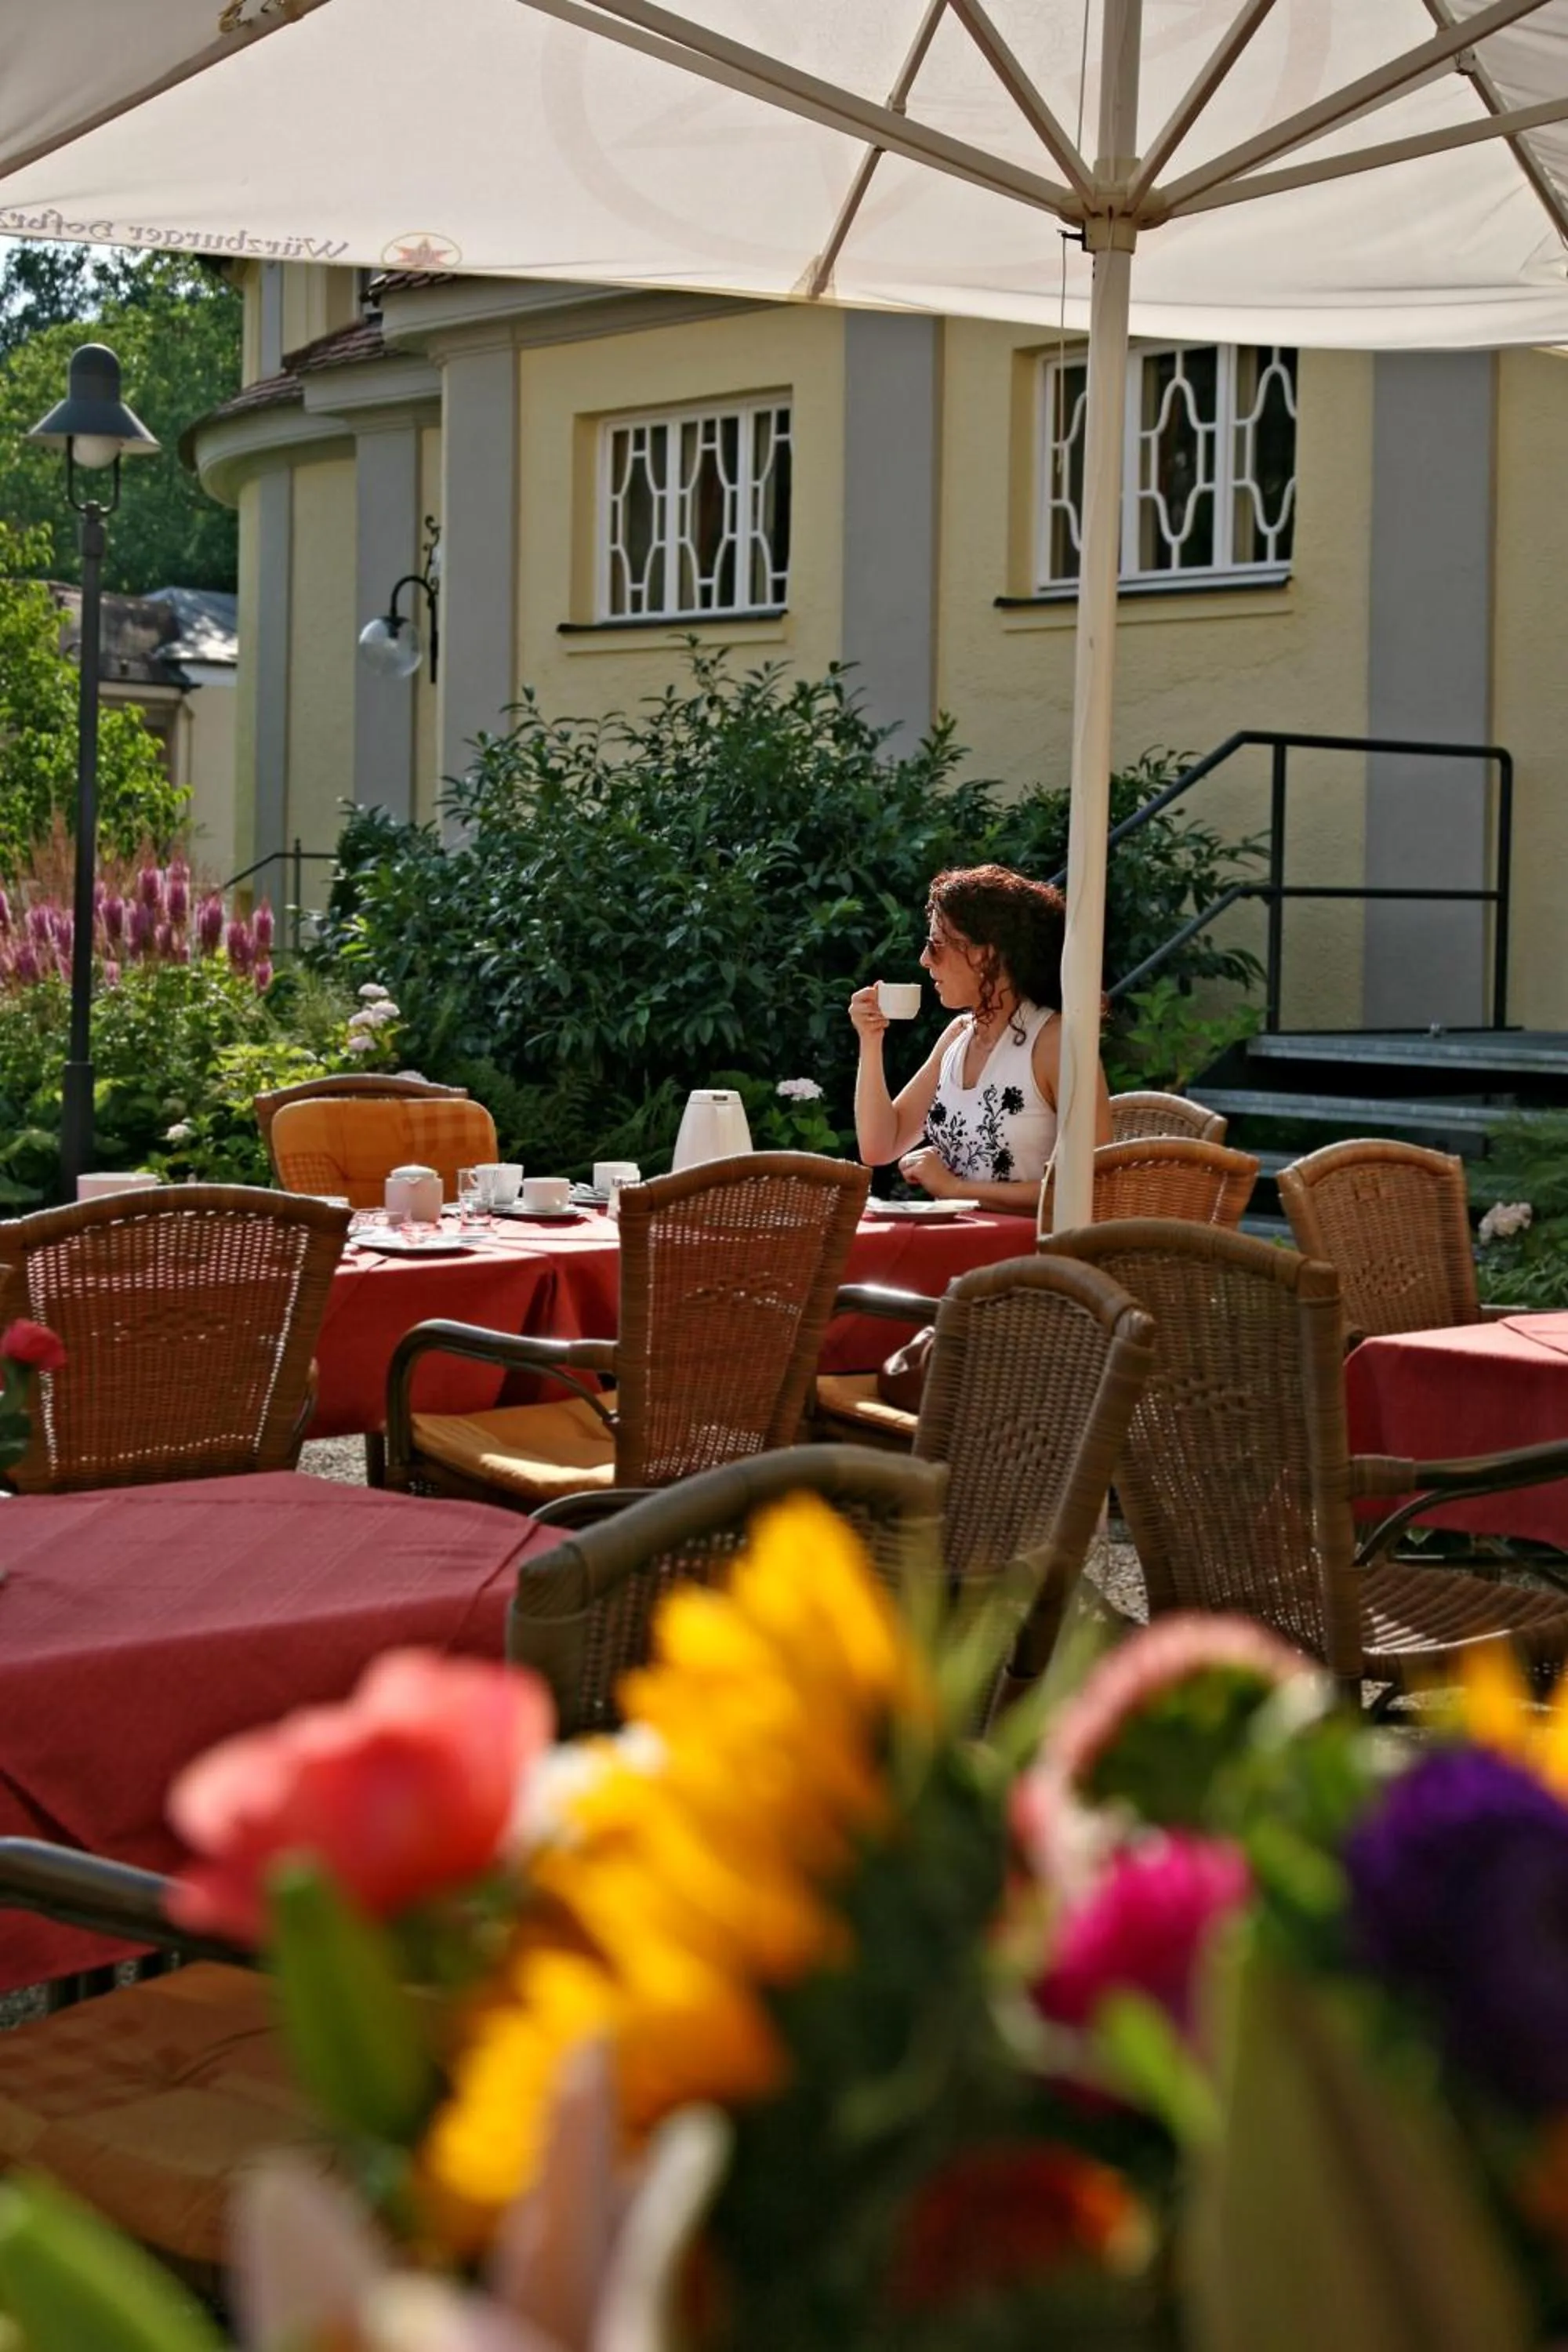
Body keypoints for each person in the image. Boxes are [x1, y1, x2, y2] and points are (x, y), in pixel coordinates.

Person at [849, 863, 1111, 1216]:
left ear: (985, 953)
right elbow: (880, 1145)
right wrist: (870, 1038)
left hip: (1035, 1262)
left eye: (936, 944)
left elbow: (1092, 1184)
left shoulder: (1055, 1044)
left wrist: (955, 1189)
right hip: (964, 1250)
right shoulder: (959, 1036)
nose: (924, 959)